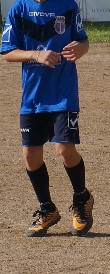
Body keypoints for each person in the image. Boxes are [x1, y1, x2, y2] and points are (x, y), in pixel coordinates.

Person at [1, 0, 94, 237]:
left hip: (63, 95)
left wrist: (82, 48)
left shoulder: (67, 5)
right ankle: (47, 209)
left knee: (64, 149)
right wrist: (36, 55)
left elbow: (82, 40)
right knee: (30, 156)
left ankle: (82, 198)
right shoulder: (18, 9)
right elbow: (8, 52)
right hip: (32, 98)